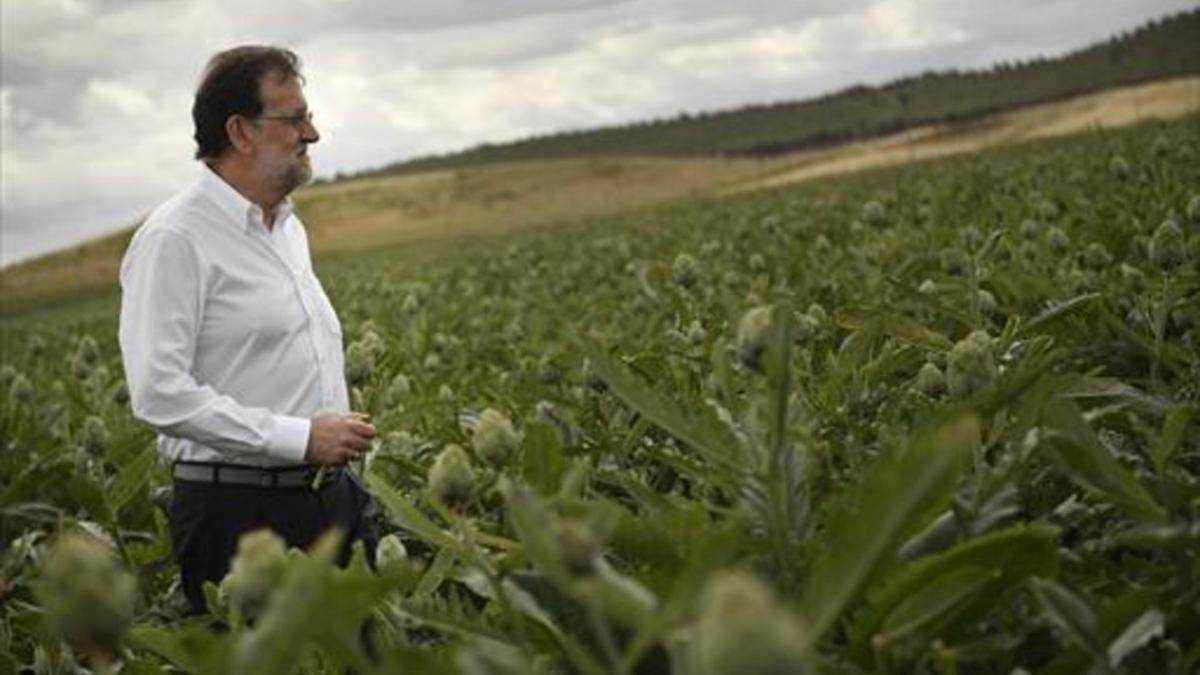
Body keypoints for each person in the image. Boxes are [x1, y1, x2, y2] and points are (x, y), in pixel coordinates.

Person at [118, 46, 378, 614]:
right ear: (240, 132)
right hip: (236, 514)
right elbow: (159, 392)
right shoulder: (174, 239)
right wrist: (301, 438)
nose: (312, 133)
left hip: (329, 501)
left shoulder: (286, 226)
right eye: (294, 119)